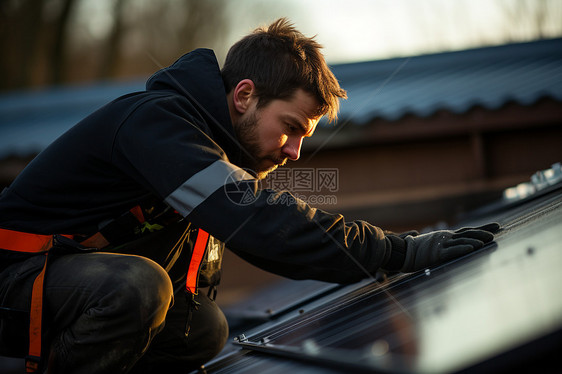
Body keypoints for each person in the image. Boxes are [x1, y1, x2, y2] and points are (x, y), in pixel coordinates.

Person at [0, 18, 499, 373]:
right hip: (14, 282)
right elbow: (262, 224)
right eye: (290, 128)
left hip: (68, 285)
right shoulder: (156, 124)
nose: (297, 153)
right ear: (244, 96)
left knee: (202, 329)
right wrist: (398, 250)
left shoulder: (211, 147)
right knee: (136, 287)